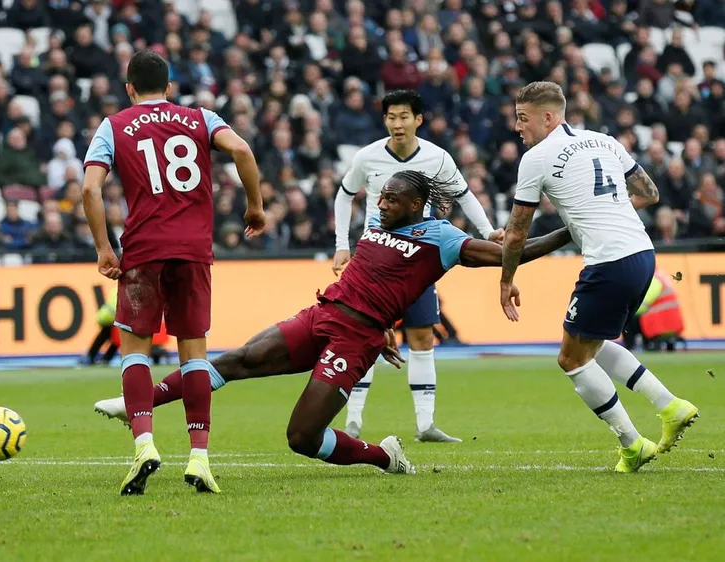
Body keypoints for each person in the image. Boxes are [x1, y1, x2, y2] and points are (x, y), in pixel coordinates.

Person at [96, 171, 573, 475]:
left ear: (415, 205)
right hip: (322, 313)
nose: (382, 204)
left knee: (301, 438)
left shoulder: (444, 238)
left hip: (355, 337)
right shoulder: (379, 225)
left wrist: (570, 229)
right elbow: (376, 278)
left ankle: (384, 456)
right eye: (381, 197)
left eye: (392, 199)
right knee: (236, 359)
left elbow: (516, 250)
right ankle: (139, 403)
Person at [81, 50, 266, 495]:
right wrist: (255, 206)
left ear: (129, 88)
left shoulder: (113, 126)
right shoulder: (201, 118)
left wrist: (104, 248)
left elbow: (89, 188)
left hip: (143, 249)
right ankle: (199, 457)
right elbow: (241, 149)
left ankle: (144, 445)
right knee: (194, 354)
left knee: (135, 351)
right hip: (193, 249)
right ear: (169, 87)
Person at [500, 81, 699, 473]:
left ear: (548, 117)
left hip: (608, 262)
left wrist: (506, 280)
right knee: (592, 343)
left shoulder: (536, 158)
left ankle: (632, 444)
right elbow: (649, 193)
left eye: (523, 118)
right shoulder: (604, 141)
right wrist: (596, 214)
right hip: (642, 255)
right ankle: (670, 406)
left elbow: (517, 232)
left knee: (570, 358)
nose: (517, 127)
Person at [333, 90, 504, 443]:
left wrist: (488, 232)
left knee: (423, 336)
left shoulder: (436, 157)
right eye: (391, 117)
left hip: (417, 259)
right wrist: (341, 245)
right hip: (374, 262)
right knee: (365, 336)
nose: (397, 124)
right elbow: (344, 194)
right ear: (385, 120)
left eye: (404, 117)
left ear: (418, 120)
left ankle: (425, 425)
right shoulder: (367, 157)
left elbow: (463, 195)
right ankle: (353, 422)